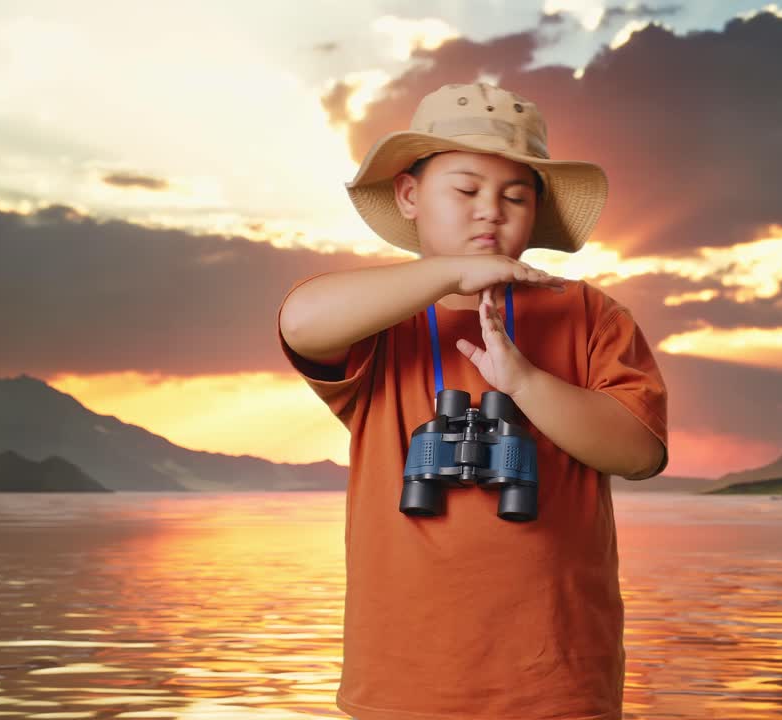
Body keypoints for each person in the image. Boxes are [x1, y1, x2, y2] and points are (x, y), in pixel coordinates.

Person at [277, 81, 669, 720]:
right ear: (409, 195)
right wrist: (451, 276)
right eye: (465, 190)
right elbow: (300, 321)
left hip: (558, 678)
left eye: (514, 196)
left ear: (535, 212)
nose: (490, 210)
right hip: (404, 679)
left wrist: (526, 385)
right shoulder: (378, 319)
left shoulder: (589, 312)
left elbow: (639, 451)